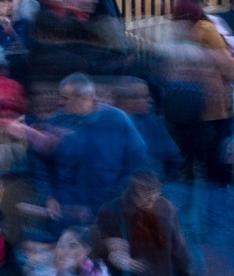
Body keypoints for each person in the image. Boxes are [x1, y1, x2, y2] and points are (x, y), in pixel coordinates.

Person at [36, 74, 149, 223]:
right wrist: (48, 196)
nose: (59, 102)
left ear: (83, 98)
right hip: (67, 210)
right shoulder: (55, 122)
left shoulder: (117, 120)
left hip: (109, 209)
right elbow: (39, 161)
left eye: (65, 98)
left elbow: (137, 161)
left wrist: (116, 199)